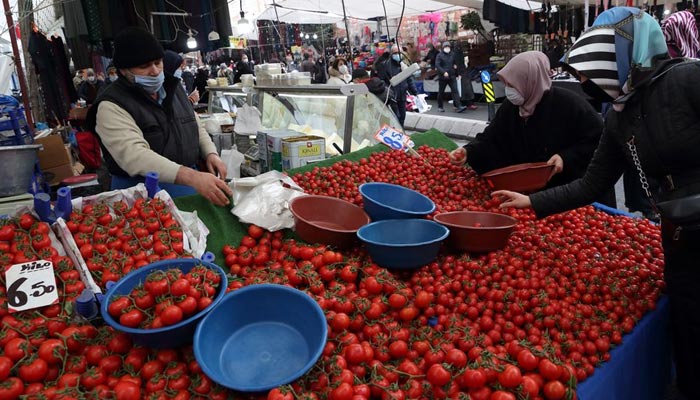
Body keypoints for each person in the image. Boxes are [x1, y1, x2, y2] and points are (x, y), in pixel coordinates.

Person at [492, 9, 700, 399]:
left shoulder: (688, 79)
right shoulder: (620, 118)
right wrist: (531, 201)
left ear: (620, 56)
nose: (585, 82)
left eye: (589, 71)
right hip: (679, 231)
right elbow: (591, 184)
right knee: (690, 319)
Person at [86, 27, 232, 205]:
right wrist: (192, 177)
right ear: (124, 70)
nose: (155, 71)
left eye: (158, 62)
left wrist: (210, 153)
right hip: (142, 195)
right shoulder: (111, 105)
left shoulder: (173, 88)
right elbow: (135, 156)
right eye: (144, 66)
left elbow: (193, 123)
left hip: (188, 186)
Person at [448, 51, 615, 206]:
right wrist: (469, 152)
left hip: (568, 196)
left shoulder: (570, 105)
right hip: (528, 194)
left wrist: (566, 157)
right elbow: (490, 138)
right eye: (507, 83)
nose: (509, 90)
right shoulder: (511, 107)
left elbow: (599, 142)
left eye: (513, 84)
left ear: (531, 80)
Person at [376, 45, 418, 127]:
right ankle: (396, 130)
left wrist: (415, 92)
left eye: (399, 53)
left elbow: (409, 79)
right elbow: (381, 80)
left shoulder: (403, 65)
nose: (398, 55)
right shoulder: (385, 65)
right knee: (396, 116)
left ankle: (401, 131)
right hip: (392, 95)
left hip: (402, 94)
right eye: (395, 53)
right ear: (391, 53)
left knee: (402, 116)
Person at [435, 41, 466, 113]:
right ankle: (440, 106)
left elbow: (455, 64)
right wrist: (443, 72)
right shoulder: (439, 55)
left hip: (452, 76)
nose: (447, 48)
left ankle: (458, 106)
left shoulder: (452, 54)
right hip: (443, 77)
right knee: (441, 92)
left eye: (448, 47)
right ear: (443, 48)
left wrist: (457, 74)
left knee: (455, 91)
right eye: (446, 47)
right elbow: (438, 65)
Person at [452, 42, 478, 110]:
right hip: (461, 73)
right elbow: (457, 64)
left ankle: (459, 104)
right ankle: (466, 103)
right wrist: (457, 73)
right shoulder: (456, 54)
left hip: (462, 72)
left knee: (461, 89)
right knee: (463, 89)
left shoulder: (455, 54)